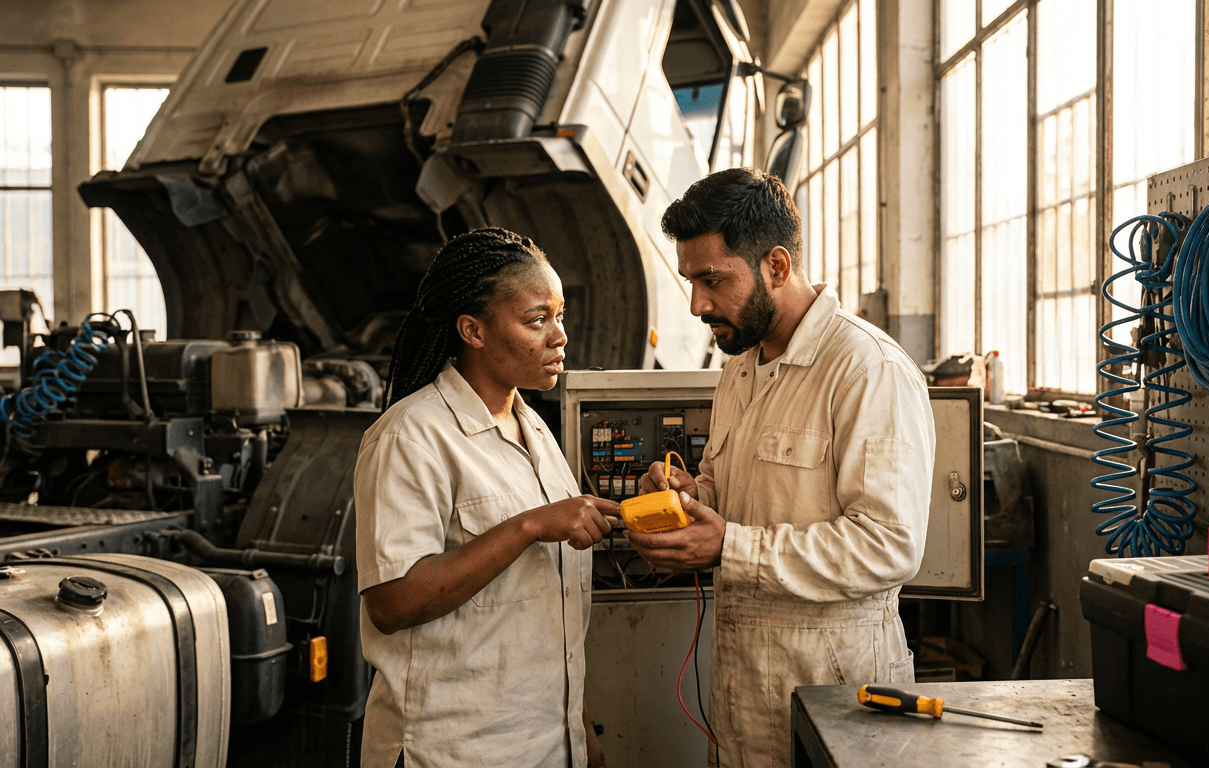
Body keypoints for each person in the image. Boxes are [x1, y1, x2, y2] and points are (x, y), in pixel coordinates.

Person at [628, 168, 936, 767]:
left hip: (837, 685)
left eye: (712, 280)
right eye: (690, 280)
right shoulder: (740, 366)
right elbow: (732, 492)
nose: (696, 304)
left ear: (775, 265)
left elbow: (890, 545)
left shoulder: (867, 370)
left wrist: (730, 548)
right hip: (743, 681)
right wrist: (689, 498)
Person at [353, 228, 619, 768]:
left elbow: (551, 610)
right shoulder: (411, 435)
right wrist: (527, 527)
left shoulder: (535, 432)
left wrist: (580, 731)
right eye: (536, 319)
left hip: (544, 746)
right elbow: (391, 602)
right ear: (473, 330)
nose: (559, 335)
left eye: (560, 315)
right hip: (452, 751)